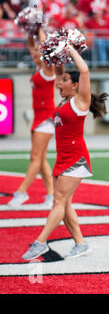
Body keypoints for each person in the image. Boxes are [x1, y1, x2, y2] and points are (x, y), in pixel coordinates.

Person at [21, 45, 108, 260]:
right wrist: (56, 50)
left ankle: (41, 242)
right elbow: (59, 71)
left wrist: (70, 49)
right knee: (64, 203)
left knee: (59, 200)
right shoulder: (64, 100)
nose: (60, 83)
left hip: (76, 159)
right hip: (63, 158)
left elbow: (85, 71)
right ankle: (80, 243)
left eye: (66, 81)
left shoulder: (80, 102)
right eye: (61, 81)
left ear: (76, 86)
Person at [8, 28, 55, 208]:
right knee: (41, 159)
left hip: (46, 119)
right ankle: (51, 195)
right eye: (34, 52)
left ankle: (21, 192)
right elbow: (30, 44)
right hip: (40, 118)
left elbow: (44, 48)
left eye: (38, 52)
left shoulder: (48, 70)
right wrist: (30, 29)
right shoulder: (38, 68)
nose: (35, 54)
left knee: (35, 157)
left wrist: (40, 29)